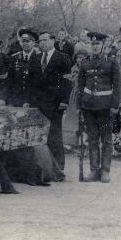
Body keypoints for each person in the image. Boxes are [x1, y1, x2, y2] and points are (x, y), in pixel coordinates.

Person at [77, 32, 121, 183]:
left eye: (97, 44)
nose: (94, 46)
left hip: (106, 107)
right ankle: (94, 170)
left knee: (107, 140)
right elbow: (80, 86)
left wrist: (115, 105)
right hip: (88, 106)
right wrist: (78, 105)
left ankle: (105, 171)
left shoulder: (111, 62)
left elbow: (118, 86)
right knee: (92, 139)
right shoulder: (85, 62)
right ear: (89, 45)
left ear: (103, 45)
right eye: (92, 44)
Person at [37, 31, 72, 179]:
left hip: (55, 103)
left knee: (54, 135)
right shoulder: (37, 57)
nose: (42, 43)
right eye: (40, 41)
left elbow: (67, 81)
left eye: (45, 40)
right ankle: (43, 167)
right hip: (39, 103)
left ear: (53, 41)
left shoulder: (63, 58)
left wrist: (64, 101)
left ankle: (58, 169)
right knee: (40, 135)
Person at [61, 44, 89, 146]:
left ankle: (85, 143)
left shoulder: (89, 68)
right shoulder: (73, 69)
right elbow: (72, 80)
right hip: (75, 95)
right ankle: (77, 142)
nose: (80, 60)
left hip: (85, 95)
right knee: (75, 120)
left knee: (84, 119)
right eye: (78, 58)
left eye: (83, 58)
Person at [6, 29, 41, 108]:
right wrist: (10, 100)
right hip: (16, 100)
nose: (25, 43)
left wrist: (29, 101)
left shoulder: (40, 58)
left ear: (33, 42)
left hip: (33, 101)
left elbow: (39, 84)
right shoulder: (14, 58)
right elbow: (9, 81)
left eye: (28, 41)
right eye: (23, 41)